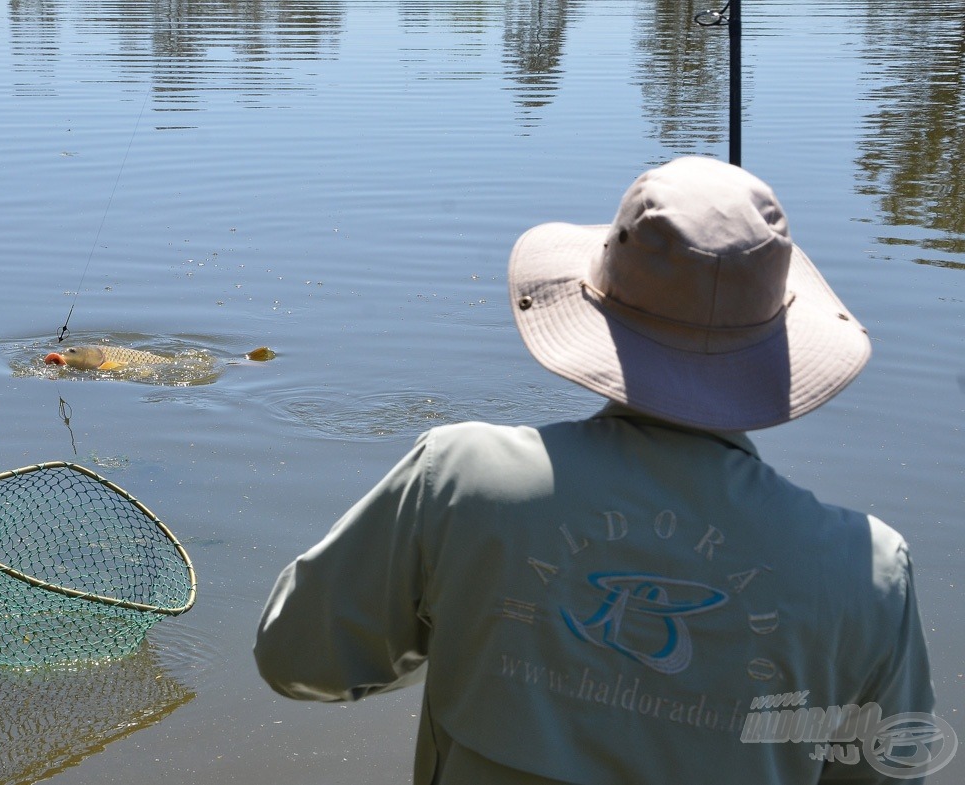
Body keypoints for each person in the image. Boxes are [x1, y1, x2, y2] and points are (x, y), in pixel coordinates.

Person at [254, 157, 939, 783]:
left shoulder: (458, 478)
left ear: (599, 307)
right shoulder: (867, 571)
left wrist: (467, 617)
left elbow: (296, 656)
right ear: (777, 341)